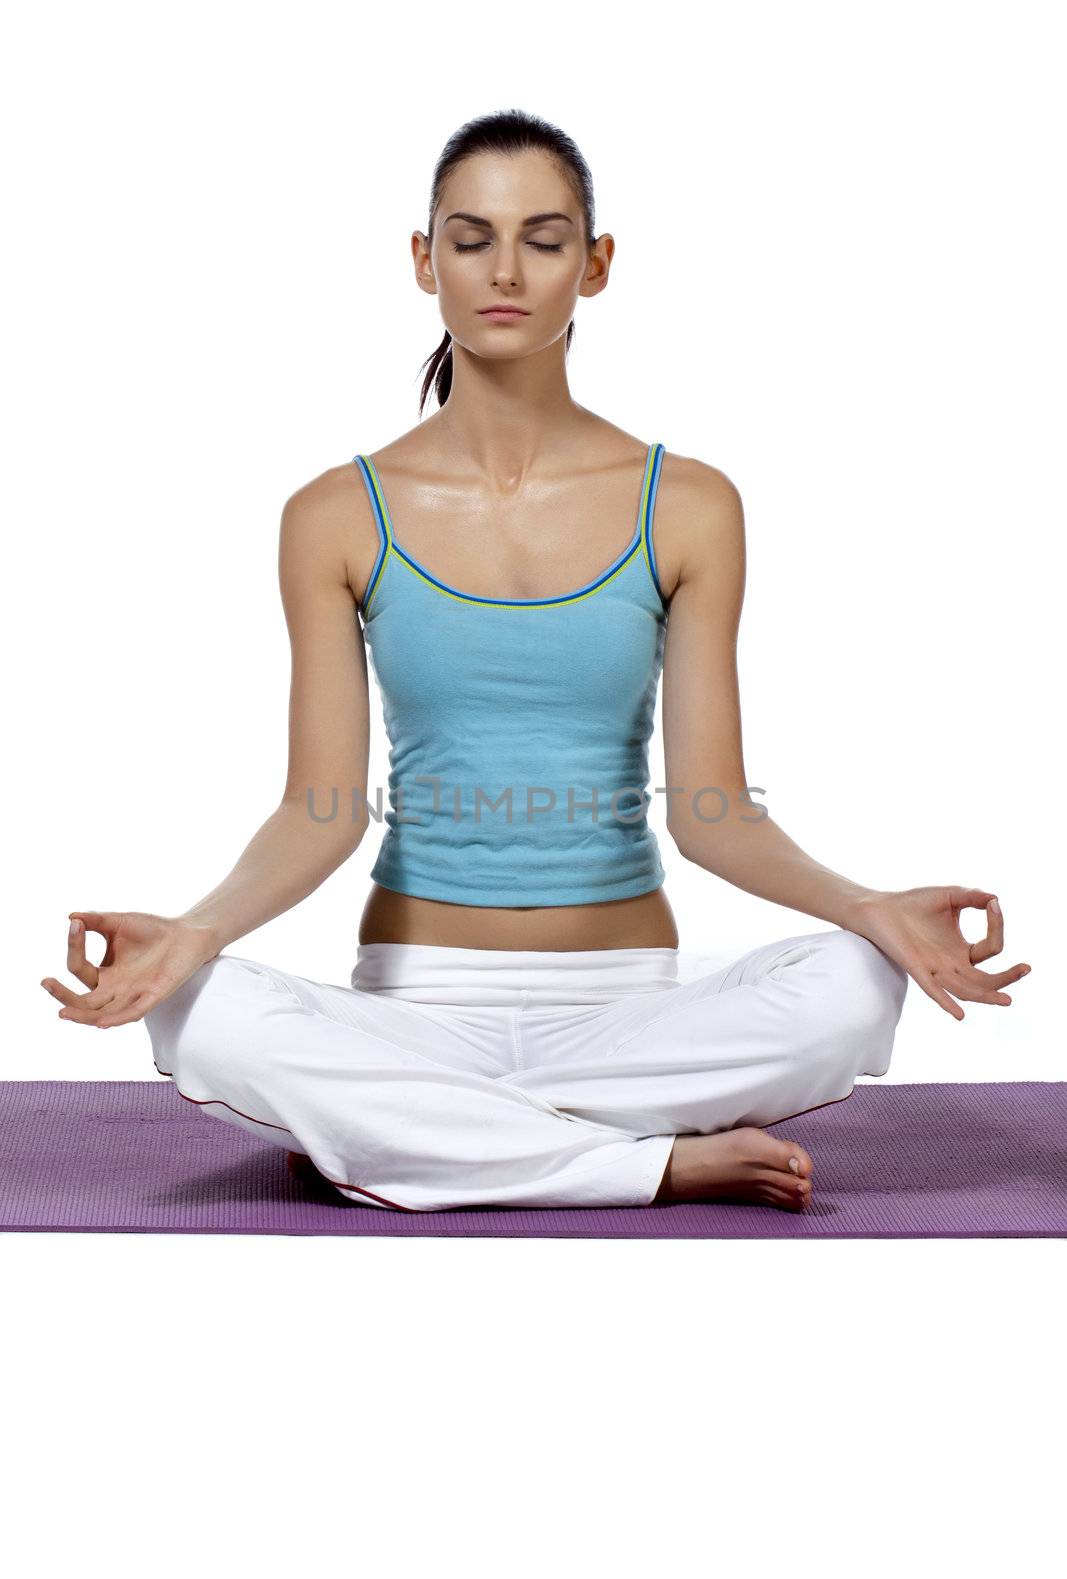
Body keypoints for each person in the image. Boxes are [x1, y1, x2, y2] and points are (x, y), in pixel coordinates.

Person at [40, 109, 1030, 1214]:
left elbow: (711, 810)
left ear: (594, 265)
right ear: (424, 260)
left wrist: (870, 906)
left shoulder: (688, 505)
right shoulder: (333, 515)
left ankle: (402, 1133)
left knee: (853, 984)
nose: (503, 270)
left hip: (627, 1011)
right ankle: (637, 1159)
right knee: (199, 1010)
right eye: (469, 239)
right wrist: (195, 931)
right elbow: (318, 807)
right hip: (414, 1001)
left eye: (544, 239)